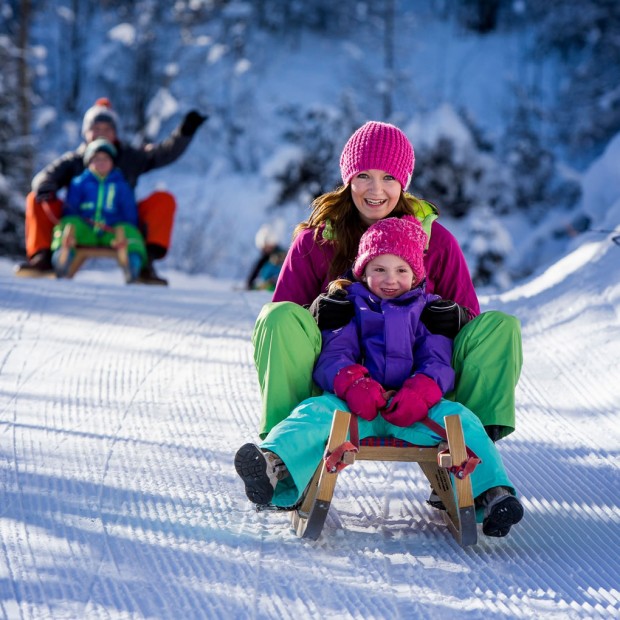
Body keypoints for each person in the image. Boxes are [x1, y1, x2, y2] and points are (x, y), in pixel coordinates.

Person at [235, 215, 524, 538]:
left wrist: (422, 391)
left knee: (462, 420)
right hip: (354, 406)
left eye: (402, 271)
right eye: (379, 270)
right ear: (362, 271)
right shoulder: (346, 305)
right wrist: (353, 383)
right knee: (312, 414)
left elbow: (439, 361)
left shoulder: (431, 311)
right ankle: (274, 467)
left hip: (416, 410)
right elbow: (334, 355)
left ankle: (492, 493)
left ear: (416, 275)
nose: (391, 279)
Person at [252, 121, 522, 446]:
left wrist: (458, 317)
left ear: (404, 183)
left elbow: (475, 329)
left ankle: (472, 453)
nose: (375, 190)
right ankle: (281, 454)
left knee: (500, 327)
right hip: (334, 385)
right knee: (275, 317)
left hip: (425, 388)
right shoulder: (316, 241)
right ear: (348, 178)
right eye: (364, 175)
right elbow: (284, 321)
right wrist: (314, 311)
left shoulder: (436, 242)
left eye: (389, 177)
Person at [16, 97, 208, 285]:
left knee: (163, 200)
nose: (101, 133)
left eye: (107, 129)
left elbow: (163, 154)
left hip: (120, 222)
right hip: (81, 222)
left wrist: (184, 133)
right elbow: (45, 177)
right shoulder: (74, 160)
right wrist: (46, 187)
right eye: (96, 129)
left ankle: (143, 263)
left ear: (115, 132)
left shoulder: (130, 157)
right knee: (35, 198)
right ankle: (44, 257)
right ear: (86, 132)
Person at [50, 138, 147, 283]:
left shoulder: (121, 185)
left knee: (132, 234)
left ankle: (132, 264)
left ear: (112, 163)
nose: (101, 162)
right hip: (86, 229)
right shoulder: (79, 183)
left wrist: (127, 227)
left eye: (105, 159)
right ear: (89, 162)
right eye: (96, 159)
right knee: (67, 225)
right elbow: (71, 208)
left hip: (111, 231)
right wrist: (74, 219)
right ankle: (62, 256)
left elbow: (129, 211)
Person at [246, 221, 287, 291]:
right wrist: (250, 283)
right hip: (269, 285)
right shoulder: (265, 257)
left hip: (280, 285)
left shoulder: (281, 254)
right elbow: (256, 269)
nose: (265, 249)